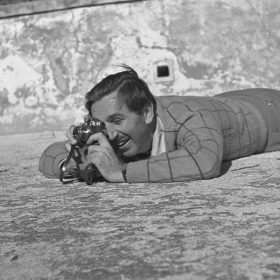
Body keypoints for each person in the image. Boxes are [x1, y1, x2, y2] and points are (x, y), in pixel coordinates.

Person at [39, 65, 280, 183]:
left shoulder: (189, 116)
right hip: (231, 98)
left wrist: (119, 172)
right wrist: (74, 157)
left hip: (270, 111)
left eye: (116, 120)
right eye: (101, 124)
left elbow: (204, 162)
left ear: (146, 113)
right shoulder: (114, 131)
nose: (109, 134)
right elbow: (49, 156)